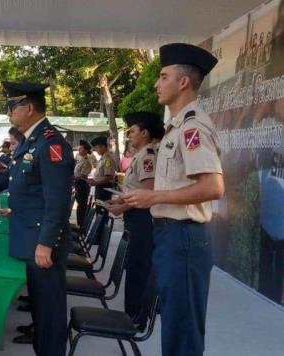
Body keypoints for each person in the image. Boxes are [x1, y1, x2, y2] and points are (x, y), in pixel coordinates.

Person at [123, 43, 224, 356]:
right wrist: (145, 200)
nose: (156, 83)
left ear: (182, 82)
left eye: (163, 76)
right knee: (175, 327)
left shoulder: (192, 128)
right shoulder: (175, 129)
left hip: (184, 237)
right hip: (170, 235)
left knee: (182, 332)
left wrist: (155, 195)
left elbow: (213, 186)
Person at [0, 82, 74, 356]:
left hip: (42, 243)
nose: (8, 113)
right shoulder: (31, 142)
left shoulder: (50, 144)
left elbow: (58, 200)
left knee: (49, 314)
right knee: (40, 310)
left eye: (12, 106)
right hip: (31, 238)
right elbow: (8, 177)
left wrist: (46, 243)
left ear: (30, 107)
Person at [107, 111, 164, 330]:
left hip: (142, 218)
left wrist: (122, 206)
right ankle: (131, 314)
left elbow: (148, 191)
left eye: (132, 131)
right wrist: (121, 201)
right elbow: (137, 189)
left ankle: (136, 319)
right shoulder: (139, 155)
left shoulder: (148, 155)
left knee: (139, 268)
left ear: (145, 133)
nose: (129, 135)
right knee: (133, 266)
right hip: (134, 216)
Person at [88, 136, 117, 204]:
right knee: (99, 208)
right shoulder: (103, 158)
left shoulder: (108, 159)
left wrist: (95, 183)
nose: (96, 149)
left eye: (97, 147)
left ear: (103, 147)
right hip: (100, 187)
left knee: (102, 210)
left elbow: (109, 177)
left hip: (104, 189)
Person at [74, 140, 93, 229]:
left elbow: (82, 175)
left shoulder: (86, 162)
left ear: (85, 150)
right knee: (80, 206)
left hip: (82, 185)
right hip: (78, 184)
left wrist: (71, 178)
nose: (79, 149)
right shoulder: (79, 159)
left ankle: (81, 228)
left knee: (81, 208)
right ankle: (79, 225)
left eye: (81, 148)